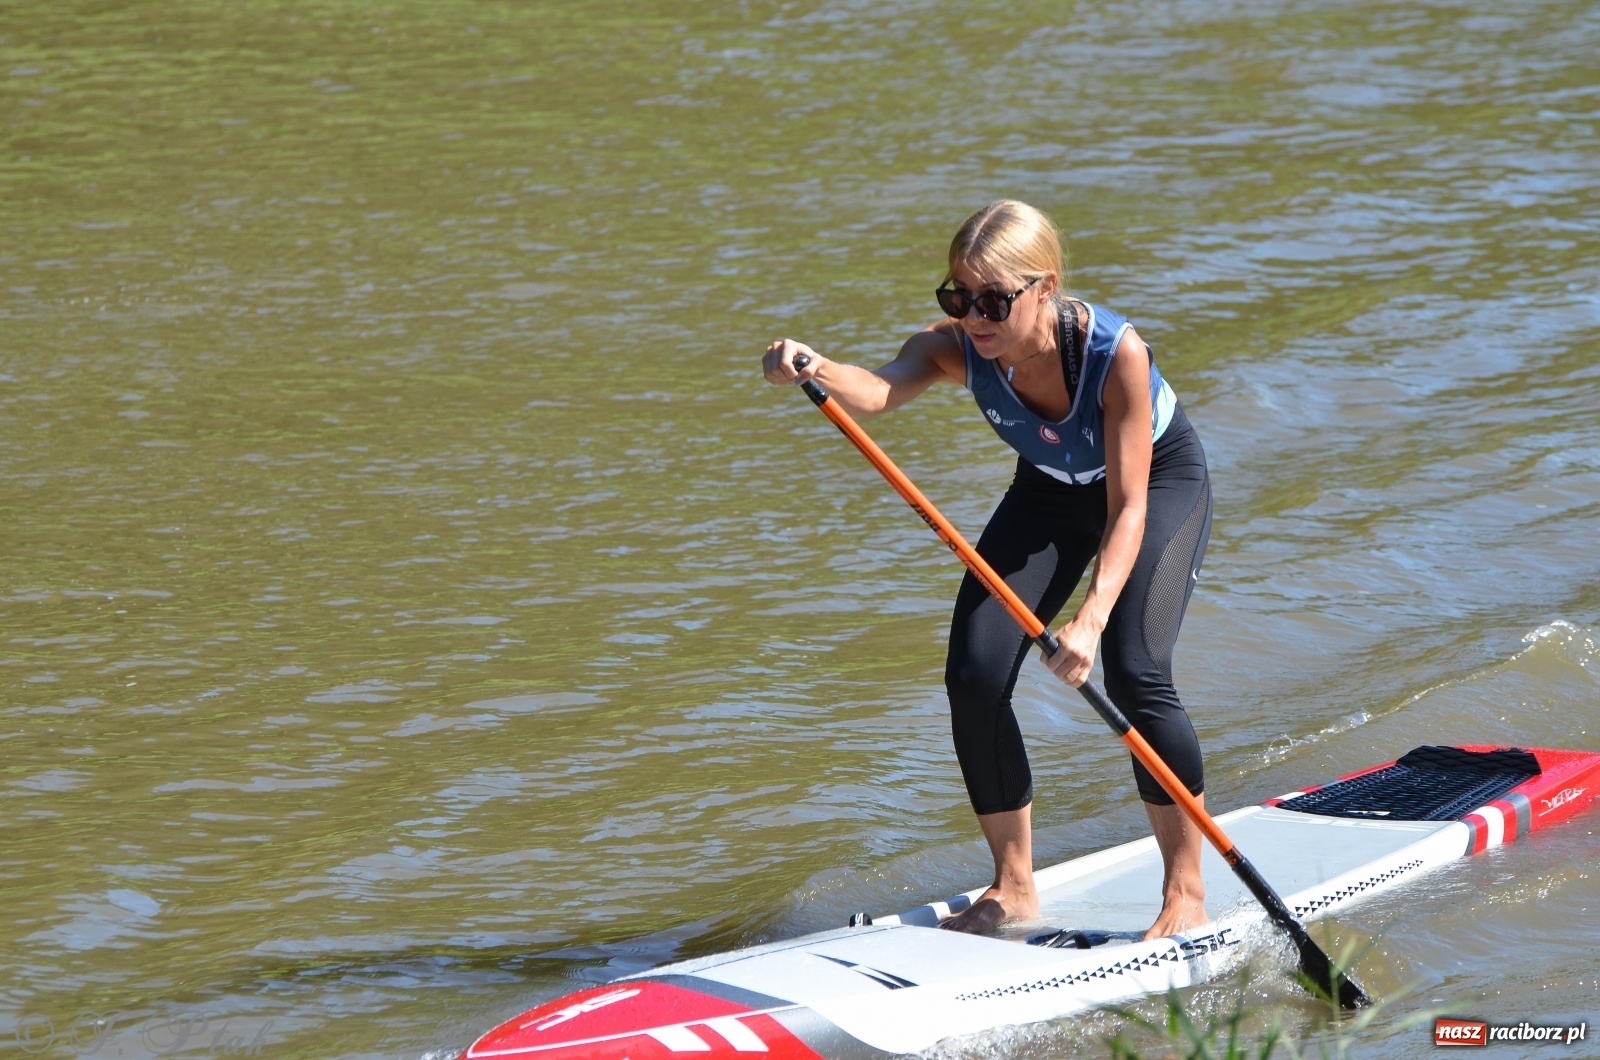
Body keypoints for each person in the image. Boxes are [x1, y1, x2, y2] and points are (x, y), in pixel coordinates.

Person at [761, 200, 1213, 941]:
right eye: (957, 296)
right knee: (973, 675)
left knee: (1136, 670)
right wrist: (812, 366)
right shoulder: (956, 346)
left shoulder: (1115, 355)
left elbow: (1128, 508)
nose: (974, 315)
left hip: (1154, 485)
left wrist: (1090, 620)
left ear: (1046, 286)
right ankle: (1013, 886)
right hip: (1048, 490)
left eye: (993, 298)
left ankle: (1186, 890)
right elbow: (880, 388)